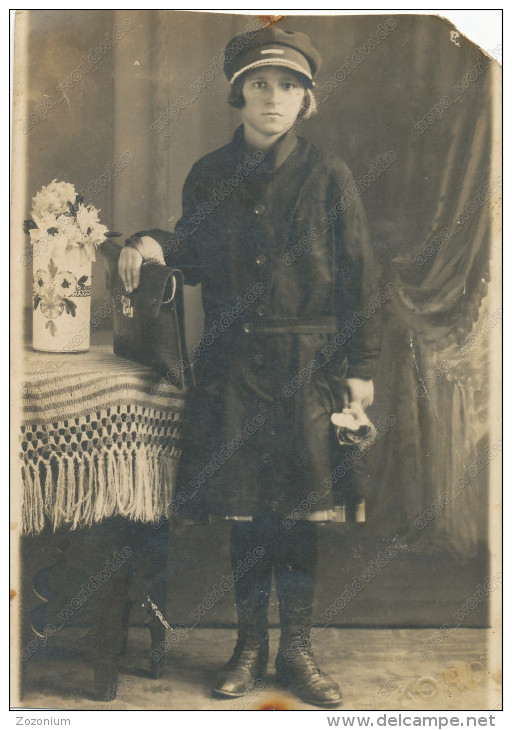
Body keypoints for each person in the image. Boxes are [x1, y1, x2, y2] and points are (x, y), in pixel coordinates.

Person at [118, 25, 381, 708]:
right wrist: (152, 245)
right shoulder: (210, 173)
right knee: (245, 514)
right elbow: (196, 259)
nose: (273, 98)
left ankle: (297, 648)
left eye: (288, 86)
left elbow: (357, 275)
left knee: (298, 511)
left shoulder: (329, 175)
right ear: (238, 94)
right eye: (260, 84)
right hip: (234, 367)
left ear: (306, 100)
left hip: (307, 366)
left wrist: (361, 368)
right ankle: (249, 646)